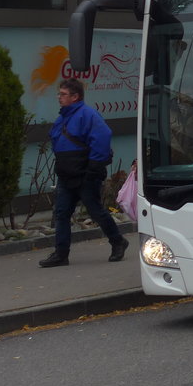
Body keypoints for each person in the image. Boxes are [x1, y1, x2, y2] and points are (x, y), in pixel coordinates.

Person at [38, 78, 129, 267]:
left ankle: (118, 241)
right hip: (67, 175)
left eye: (63, 94)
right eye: (59, 94)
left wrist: (93, 169)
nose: (59, 97)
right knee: (62, 213)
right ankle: (61, 254)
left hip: (86, 174)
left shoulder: (87, 115)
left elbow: (103, 138)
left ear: (75, 96)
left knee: (96, 211)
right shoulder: (63, 118)